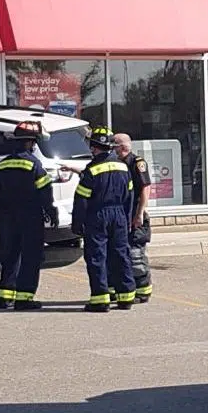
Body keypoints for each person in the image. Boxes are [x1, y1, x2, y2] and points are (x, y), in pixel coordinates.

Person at [0, 120, 57, 311]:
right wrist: (50, 211)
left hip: (7, 216)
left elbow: (0, 191)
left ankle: (5, 296)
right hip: (29, 216)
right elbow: (44, 192)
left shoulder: (2, 165)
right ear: (29, 142)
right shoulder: (33, 164)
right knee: (31, 256)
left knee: (10, 254)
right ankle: (24, 298)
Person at [72, 126, 135, 312]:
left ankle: (100, 300)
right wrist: (128, 218)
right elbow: (129, 196)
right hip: (120, 216)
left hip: (98, 216)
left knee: (97, 257)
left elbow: (81, 200)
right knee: (121, 254)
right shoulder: (123, 167)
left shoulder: (91, 170)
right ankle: (126, 297)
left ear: (94, 147)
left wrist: (78, 224)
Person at [113, 132, 153, 304]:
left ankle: (143, 290)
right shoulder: (115, 163)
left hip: (135, 214)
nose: (111, 150)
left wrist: (139, 214)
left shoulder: (137, 163)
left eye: (114, 146)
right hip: (121, 214)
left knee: (135, 254)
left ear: (122, 148)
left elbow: (145, 188)